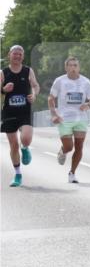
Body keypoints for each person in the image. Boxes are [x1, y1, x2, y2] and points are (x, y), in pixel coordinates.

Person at [48, 57, 90, 184]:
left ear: (79, 67)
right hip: (64, 118)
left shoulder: (85, 82)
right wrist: (54, 114)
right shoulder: (60, 81)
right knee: (69, 147)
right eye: (70, 65)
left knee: (79, 147)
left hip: (81, 118)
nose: (73, 68)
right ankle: (63, 150)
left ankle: (72, 173)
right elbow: (51, 98)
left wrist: (88, 105)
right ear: (66, 68)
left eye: (75, 65)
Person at [2, 45, 40, 187]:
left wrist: (34, 95)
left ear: (22, 56)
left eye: (20, 54)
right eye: (15, 54)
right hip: (9, 112)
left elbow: (36, 86)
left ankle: (25, 148)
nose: (17, 56)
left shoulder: (28, 71)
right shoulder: (3, 72)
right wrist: (3, 89)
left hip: (25, 110)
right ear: (9, 55)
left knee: (26, 138)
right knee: (13, 145)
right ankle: (18, 174)